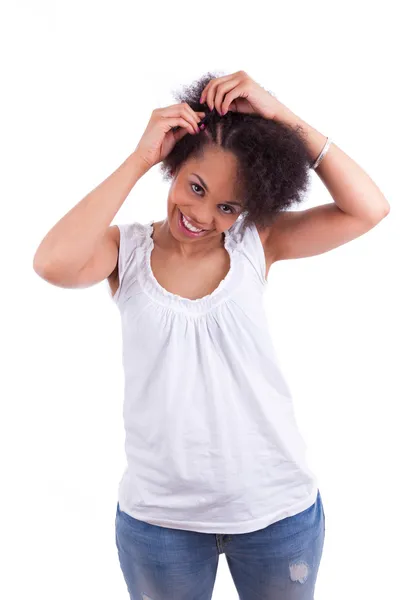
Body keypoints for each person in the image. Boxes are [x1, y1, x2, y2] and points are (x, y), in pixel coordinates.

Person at [33, 71, 390, 600]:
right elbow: (52, 263)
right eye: (195, 187)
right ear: (175, 166)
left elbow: (370, 208)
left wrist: (284, 119)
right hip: (160, 524)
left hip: (276, 511)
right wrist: (138, 159)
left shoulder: (257, 244)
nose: (201, 215)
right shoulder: (123, 254)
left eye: (227, 207)